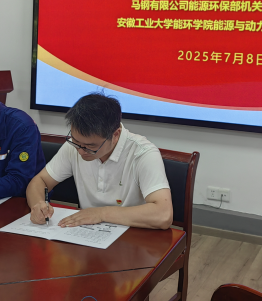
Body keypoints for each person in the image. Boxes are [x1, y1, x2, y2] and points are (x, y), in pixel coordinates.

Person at [26, 93, 172, 230]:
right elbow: (40, 181)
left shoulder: (143, 153)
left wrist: (101, 214)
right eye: (76, 142)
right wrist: (38, 205)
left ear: (115, 135)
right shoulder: (74, 147)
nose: (81, 151)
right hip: (85, 232)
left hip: (133, 234)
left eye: (90, 146)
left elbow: (164, 215)